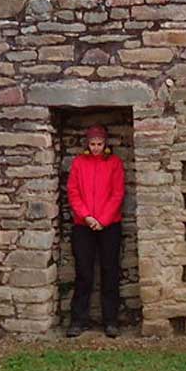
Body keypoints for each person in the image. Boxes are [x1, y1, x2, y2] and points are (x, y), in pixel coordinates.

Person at [66, 124, 126, 338]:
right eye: (92, 144)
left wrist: (103, 219)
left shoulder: (115, 163)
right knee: (84, 273)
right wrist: (87, 216)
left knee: (110, 272)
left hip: (109, 225)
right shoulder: (79, 163)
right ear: (87, 144)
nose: (96, 148)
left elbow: (118, 194)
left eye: (99, 144)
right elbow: (73, 192)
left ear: (105, 143)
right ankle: (78, 320)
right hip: (84, 225)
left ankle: (111, 320)